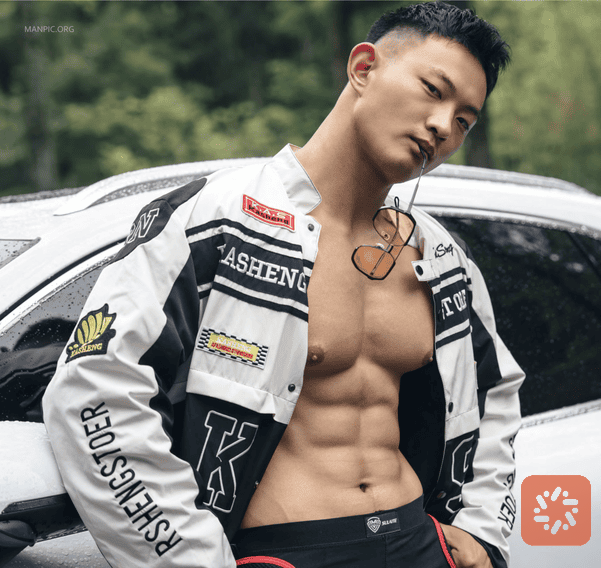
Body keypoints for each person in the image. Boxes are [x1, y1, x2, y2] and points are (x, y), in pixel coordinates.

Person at [42, 3, 524, 568]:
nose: (443, 127)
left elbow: (494, 396)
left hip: (419, 543)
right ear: (363, 68)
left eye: (464, 121)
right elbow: (96, 386)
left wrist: (482, 531)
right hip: (286, 551)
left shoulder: (440, 258)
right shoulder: (216, 220)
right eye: (433, 90)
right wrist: (191, 558)